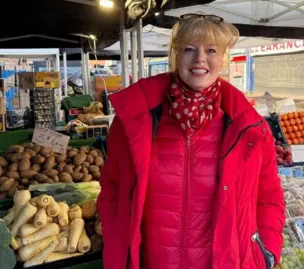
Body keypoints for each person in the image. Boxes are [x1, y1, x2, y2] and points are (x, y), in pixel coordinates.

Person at [98, 13, 285, 269]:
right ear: (176, 56)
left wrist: (267, 251)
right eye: (189, 49)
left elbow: (269, 198)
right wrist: (116, 241)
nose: (200, 59)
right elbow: (112, 189)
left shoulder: (250, 130)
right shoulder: (135, 119)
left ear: (222, 59)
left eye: (211, 50)